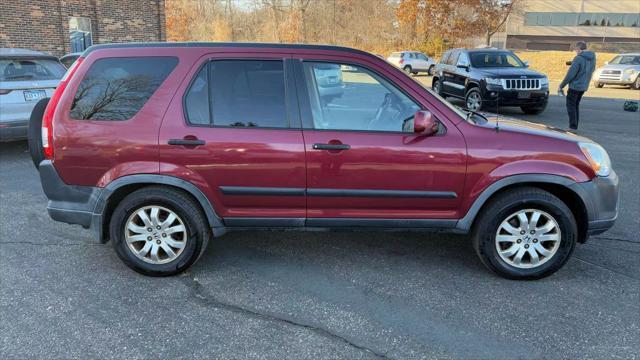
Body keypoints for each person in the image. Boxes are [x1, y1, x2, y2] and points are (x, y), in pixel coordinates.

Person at [558, 41, 596, 130]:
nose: (575, 51)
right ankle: (575, 126)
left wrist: (562, 85)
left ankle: (573, 127)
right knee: (575, 105)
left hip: (575, 86)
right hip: (584, 86)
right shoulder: (592, 58)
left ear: (579, 49)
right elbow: (591, 69)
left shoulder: (578, 58)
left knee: (571, 106)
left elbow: (570, 74)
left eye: (575, 49)